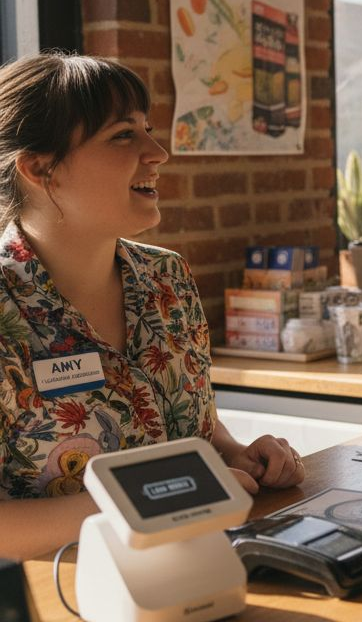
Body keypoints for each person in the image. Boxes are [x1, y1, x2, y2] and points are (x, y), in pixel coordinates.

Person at [0, 54, 305, 560]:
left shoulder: (168, 278)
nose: (158, 152)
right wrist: (162, 497)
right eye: (124, 135)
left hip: (205, 566)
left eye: (148, 130)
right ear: (39, 168)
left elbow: (193, 423)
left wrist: (238, 455)